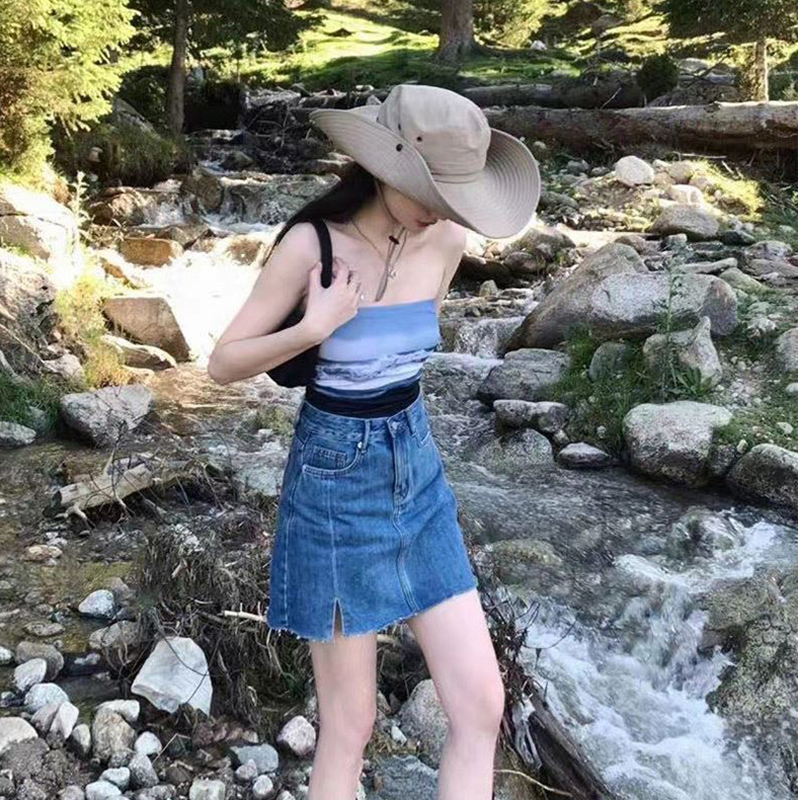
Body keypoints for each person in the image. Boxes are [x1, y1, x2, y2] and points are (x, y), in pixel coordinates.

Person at [207, 83, 541, 800]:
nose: (437, 208)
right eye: (426, 190)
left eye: (450, 195)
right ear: (382, 166)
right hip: (333, 479)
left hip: (416, 468)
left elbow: (407, 352)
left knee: (481, 705)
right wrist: (313, 327)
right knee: (351, 724)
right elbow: (223, 363)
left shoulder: (447, 239)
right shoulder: (313, 244)